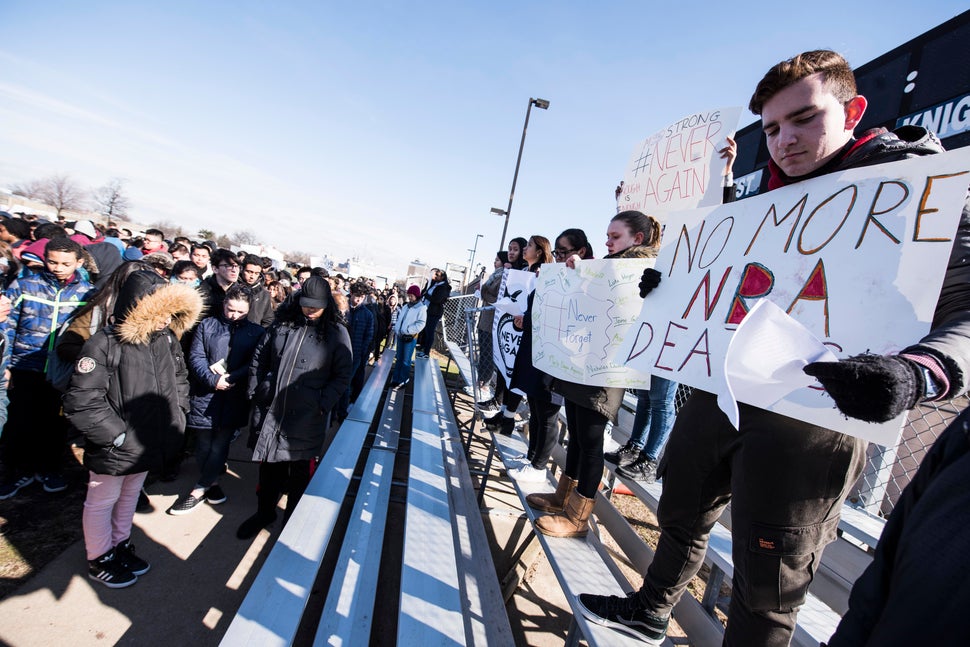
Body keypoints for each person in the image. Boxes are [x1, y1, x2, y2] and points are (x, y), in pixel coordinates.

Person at [579, 49, 970, 647]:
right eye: (772, 128)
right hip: (719, 392)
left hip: (814, 417)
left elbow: (967, 303)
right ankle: (651, 610)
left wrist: (919, 372)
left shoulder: (916, 186)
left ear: (854, 111)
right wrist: (672, 288)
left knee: (770, 576)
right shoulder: (765, 199)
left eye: (804, 119)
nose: (785, 139)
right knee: (681, 510)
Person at [63, 270, 203, 588]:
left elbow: (179, 380)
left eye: (170, 314)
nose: (165, 320)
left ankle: (120, 544)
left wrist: (178, 413)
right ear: (138, 308)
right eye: (159, 313)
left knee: (129, 496)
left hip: (150, 437)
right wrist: (116, 435)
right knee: (102, 500)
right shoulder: (105, 344)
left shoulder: (166, 340)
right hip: (116, 441)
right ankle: (99, 557)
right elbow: (82, 400)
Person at [533, 212, 661, 538]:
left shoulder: (650, 270)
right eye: (607, 235)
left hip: (606, 373)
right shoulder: (609, 265)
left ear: (638, 239)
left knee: (590, 442)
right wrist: (579, 270)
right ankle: (564, 498)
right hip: (583, 366)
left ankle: (578, 517)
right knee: (575, 434)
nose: (607, 241)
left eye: (614, 236)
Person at [237, 276, 352, 539]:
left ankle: (292, 523)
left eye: (316, 305)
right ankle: (264, 512)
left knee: (299, 475)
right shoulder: (282, 324)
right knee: (269, 471)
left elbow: (342, 376)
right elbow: (259, 359)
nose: (310, 309)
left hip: (307, 415)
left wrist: (321, 403)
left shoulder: (336, 333)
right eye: (306, 303)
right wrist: (258, 390)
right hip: (272, 411)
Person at [0, 237, 93, 498]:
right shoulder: (25, 286)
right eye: (52, 261)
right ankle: (19, 471)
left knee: (55, 422)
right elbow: (6, 326)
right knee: (20, 421)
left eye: (65, 263)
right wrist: (5, 365)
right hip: (25, 364)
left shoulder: (88, 293)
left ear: (79, 262)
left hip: (62, 369)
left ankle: (50, 468)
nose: (58, 267)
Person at [169, 285, 264, 514]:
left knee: (221, 442)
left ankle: (200, 488)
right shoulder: (207, 325)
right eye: (231, 309)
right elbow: (196, 356)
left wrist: (231, 377)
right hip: (206, 392)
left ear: (249, 309)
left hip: (234, 394)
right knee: (203, 442)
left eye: (241, 312)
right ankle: (211, 483)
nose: (234, 315)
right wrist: (212, 380)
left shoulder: (256, 332)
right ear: (224, 305)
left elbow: (254, 363)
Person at [506, 235, 560, 483]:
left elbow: (552, 317)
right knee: (537, 410)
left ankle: (539, 465)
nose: (561, 258)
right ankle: (531, 457)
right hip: (534, 350)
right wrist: (523, 321)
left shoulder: (557, 278)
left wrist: (526, 320)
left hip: (551, 356)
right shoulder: (543, 276)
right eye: (558, 253)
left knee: (547, 413)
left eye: (565, 252)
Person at [475, 251, 508, 399]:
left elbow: (496, 298)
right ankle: (479, 381)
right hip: (484, 319)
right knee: (483, 353)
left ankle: (484, 384)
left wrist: (483, 292)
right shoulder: (494, 275)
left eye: (498, 260)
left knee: (488, 355)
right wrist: (482, 291)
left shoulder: (503, 276)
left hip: (491, 321)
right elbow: (486, 293)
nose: (495, 263)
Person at [390, 285, 427, 389]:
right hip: (401, 336)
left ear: (416, 295)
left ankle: (403, 380)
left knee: (406, 360)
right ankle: (396, 379)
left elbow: (421, 323)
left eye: (411, 295)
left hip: (410, 338)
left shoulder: (421, 308)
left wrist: (408, 330)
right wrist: (398, 329)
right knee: (399, 359)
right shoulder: (406, 306)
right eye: (409, 295)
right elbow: (400, 319)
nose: (409, 297)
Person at [415, 268, 450, 359]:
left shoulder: (444, 287)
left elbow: (437, 300)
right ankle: (422, 347)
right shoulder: (434, 283)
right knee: (425, 330)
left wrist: (427, 295)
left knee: (430, 332)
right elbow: (425, 290)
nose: (435, 276)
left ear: (442, 277)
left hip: (434, 312)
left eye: (437, 275)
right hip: (426, 309)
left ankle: (426, 352)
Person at [239, 257, 275, 328]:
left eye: (256, 273)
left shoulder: (264, 294)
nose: (252, 276)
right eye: (249, 272)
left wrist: (258, 333)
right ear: (242, 269)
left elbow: (268, 319)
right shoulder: (232, 288)